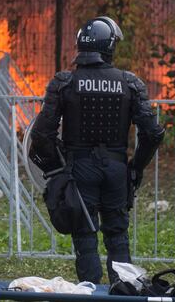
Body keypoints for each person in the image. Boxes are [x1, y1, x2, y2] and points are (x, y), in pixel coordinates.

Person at [29, 16, 164, 285]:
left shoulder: (64, 82)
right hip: (116, 169)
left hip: (79, 168)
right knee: (117, 235)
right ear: (110, 46)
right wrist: (135, 167)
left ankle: (88, 291)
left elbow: (41, 134)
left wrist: (57, 169)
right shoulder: (130, 83)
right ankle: (122, 290)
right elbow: (153, 133)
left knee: (84, 235)